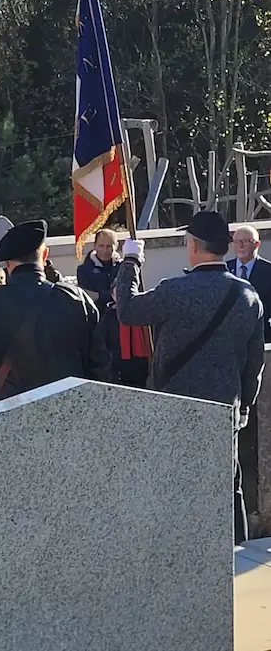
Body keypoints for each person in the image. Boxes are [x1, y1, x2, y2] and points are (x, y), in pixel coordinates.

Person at [116, 211, 265, 544]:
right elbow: (254, 365)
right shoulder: (249, 297)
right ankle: (235, 556)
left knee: (173, 489)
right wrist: (242, 409)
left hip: (174, 407)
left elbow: (126, 310)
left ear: (194, 246)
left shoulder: (175, 290)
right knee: (229, 489)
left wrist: (130, 262)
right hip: (225, 410)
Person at [0, 219, 100, 403]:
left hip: (9, 412)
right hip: (70, 409)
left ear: (7, 264)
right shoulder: (78, 299)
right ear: (45, 255)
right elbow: (100, 365)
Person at [91, 281, 149, 388]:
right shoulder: (108, 317)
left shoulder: (144, 316)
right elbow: (100, 346)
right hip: (118, 373)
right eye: (118, 294)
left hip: (143, 372)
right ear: (113, 296)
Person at [227, 225, 271, 341]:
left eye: (246, 241)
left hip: (260, 335)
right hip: (229, 337)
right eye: (237, 241)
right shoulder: (225, 269)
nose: (240, 246)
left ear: (257, 244)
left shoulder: (268, 270)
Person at [77, 228, 120, 314]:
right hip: (96, 318)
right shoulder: (83, 270)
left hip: (119, 318)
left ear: (116, 246)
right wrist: (112, 295)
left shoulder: (123, 267)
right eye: (101, 246)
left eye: (109, 246)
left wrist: (99, 295)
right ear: (95, 246)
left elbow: (127, 295)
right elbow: (88, 297)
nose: (105, 250)